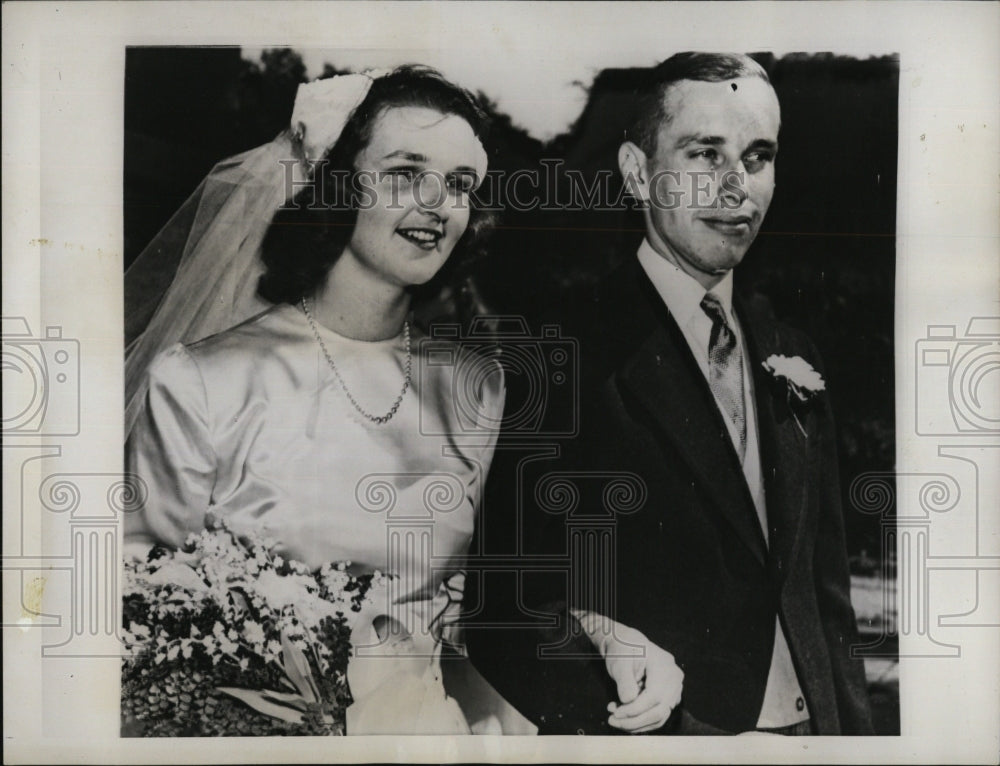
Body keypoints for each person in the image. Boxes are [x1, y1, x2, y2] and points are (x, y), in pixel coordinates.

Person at [467, 52, 873, 736]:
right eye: (704, 153)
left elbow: (825, 600)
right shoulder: (564, 357)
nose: (735, 185)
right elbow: (502, 608)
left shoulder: (793, 353)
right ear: (635, 172)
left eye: (758, 155)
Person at [123, 65, 532, 734]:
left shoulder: (478, 389)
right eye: (405, 172)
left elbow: (480, 615)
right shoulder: (204, 380)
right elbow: (145, 621)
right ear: (340, 185)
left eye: (460, 185)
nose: (437, 204)